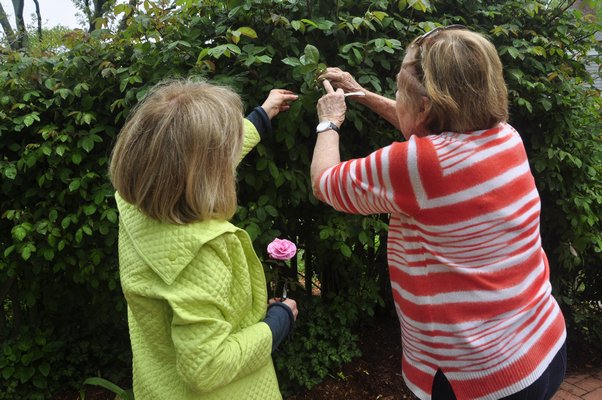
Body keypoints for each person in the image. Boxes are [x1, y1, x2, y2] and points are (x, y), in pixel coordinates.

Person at [311, 26, 567, 400]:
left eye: (399, 91)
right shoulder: (505, 136)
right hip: (542, 343)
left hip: (479, 375)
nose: (397, 98)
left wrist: (329, 121)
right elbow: (424, 127)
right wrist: (362, 94)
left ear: (426, 106)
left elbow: (325, 182)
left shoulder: (422, 164)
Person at [108, 78, 299, 400]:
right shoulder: (197, 254)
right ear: (209, 173)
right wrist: (278, 323)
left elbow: (187, 160)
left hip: (159, 385)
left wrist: (261, 117)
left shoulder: (135, 204)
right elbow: (207, 367)